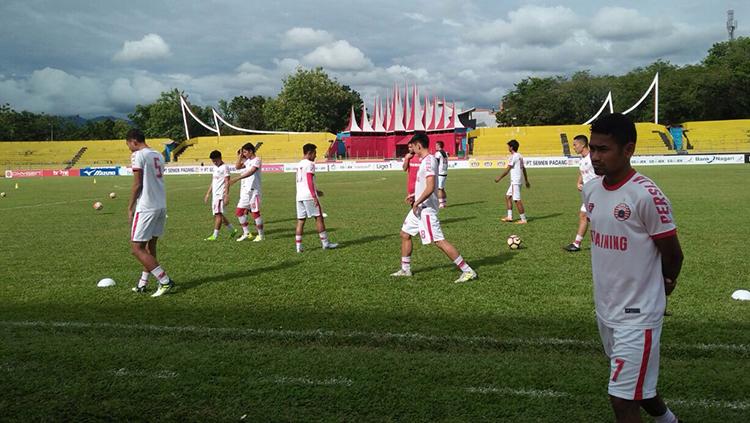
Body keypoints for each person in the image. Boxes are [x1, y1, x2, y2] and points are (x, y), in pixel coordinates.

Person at [583, 113, 684, 423]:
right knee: (636, 382)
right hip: (606, 308)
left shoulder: (645, 195)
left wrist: (663, 286)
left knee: (621, 399)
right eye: (593, 149)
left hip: (638, 314)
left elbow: (674, 254)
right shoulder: (591, 190)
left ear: (628, 150)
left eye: (604, 150)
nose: (595, 157)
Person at [391, 133, 477, 283]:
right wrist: (413, 195)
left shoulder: (429, 161)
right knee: (405, 234)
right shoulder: (424, 160)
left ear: (419, 145)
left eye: (413, 145)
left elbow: (431, 187)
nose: (412, 148)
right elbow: (424, 185)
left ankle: (467, 270)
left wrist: (417, 202)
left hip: (426, 209)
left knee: (438, 240)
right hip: (419, 207)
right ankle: (405, 269)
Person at [126, 129, 174, 297]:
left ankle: (165, 281)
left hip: (146, 207)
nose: (129, 149)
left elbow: (137, 184)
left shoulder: (139, 155)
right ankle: (143, 283)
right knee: (149, 246)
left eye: (129, 145)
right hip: (160, 205)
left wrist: (130, 206)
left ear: (133, 141)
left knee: (136, 248)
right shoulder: (158, 155)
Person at [295, 143, 338, 252]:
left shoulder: (299, 164)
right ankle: (325, 244)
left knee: (301, 221)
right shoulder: (310, 164)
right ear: (309, 153)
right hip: (309, 196)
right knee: (319, 218)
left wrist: (316, 191)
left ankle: (298, 247)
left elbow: (303, 181)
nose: (315, 156)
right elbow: (309, 179)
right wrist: (314, 195)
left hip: (299, 196)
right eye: (314, 153)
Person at [564, 135, 599, 252]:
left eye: (575, 145)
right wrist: (579, 182)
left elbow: (602, 173)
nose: (573, 147)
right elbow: (583, 173)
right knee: (583, 215)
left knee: (598, 219)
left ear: (583, 145)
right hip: (588, 194)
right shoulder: (582, 160)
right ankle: (576, 243)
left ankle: (606, 242)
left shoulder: (593, 157)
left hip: (597, 193)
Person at [230, 143, 264, 242]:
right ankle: (246, 233)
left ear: (250, 151)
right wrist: (240, 156)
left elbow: (251, 172)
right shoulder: (247, 161)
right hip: (246, 191)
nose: (244, 154)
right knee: (239, 212)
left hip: (254, 191)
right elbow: (237, 167)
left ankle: (261, 235)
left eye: (245, 152)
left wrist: (237, 179)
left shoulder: (257, 160)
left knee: (255, 213)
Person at [203, 150, 237, 241]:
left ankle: (214, 236)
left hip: (220, 194)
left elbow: (227, 181)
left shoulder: (225, 167)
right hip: (215, 194)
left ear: (220, 158)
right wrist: (208, 193)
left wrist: (226, 195)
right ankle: (232, 230)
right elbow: (213, 182)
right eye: (212, 161)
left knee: (218, 214)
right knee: (218, 214)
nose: (214, 162)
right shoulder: (215, 168)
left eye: (215, 160)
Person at [494, 139, 530, 224]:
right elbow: (524, 168)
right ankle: (509, 217)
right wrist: (526, 180)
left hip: (515, 181)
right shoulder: (519, 156)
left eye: (508, 146)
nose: (508, 148)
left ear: (511, 147)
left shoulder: (514, 157)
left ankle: (523, 219)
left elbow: (507, 170)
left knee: (517, 199)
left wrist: (499, 178)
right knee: (508, 197)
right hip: (517, 181)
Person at [402, 141, 421, 205]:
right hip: (411, 185)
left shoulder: (421, 156)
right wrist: (407, 158)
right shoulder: (408, 156)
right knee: (412, 204)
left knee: (421, 204)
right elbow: (404, 169)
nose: (409, 149)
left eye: (411, 147)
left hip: (420, 184)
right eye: (408, 147)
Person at [435, 141, 449, 208]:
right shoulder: (445, 153)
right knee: (442, 188)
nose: (435, 146)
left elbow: (436, 163)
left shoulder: (438, 153)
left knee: (439, 188)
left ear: (438, 146)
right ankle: (444, 202)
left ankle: (441, 204)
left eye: (436, 145)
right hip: (444, 172)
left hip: (440, 172)